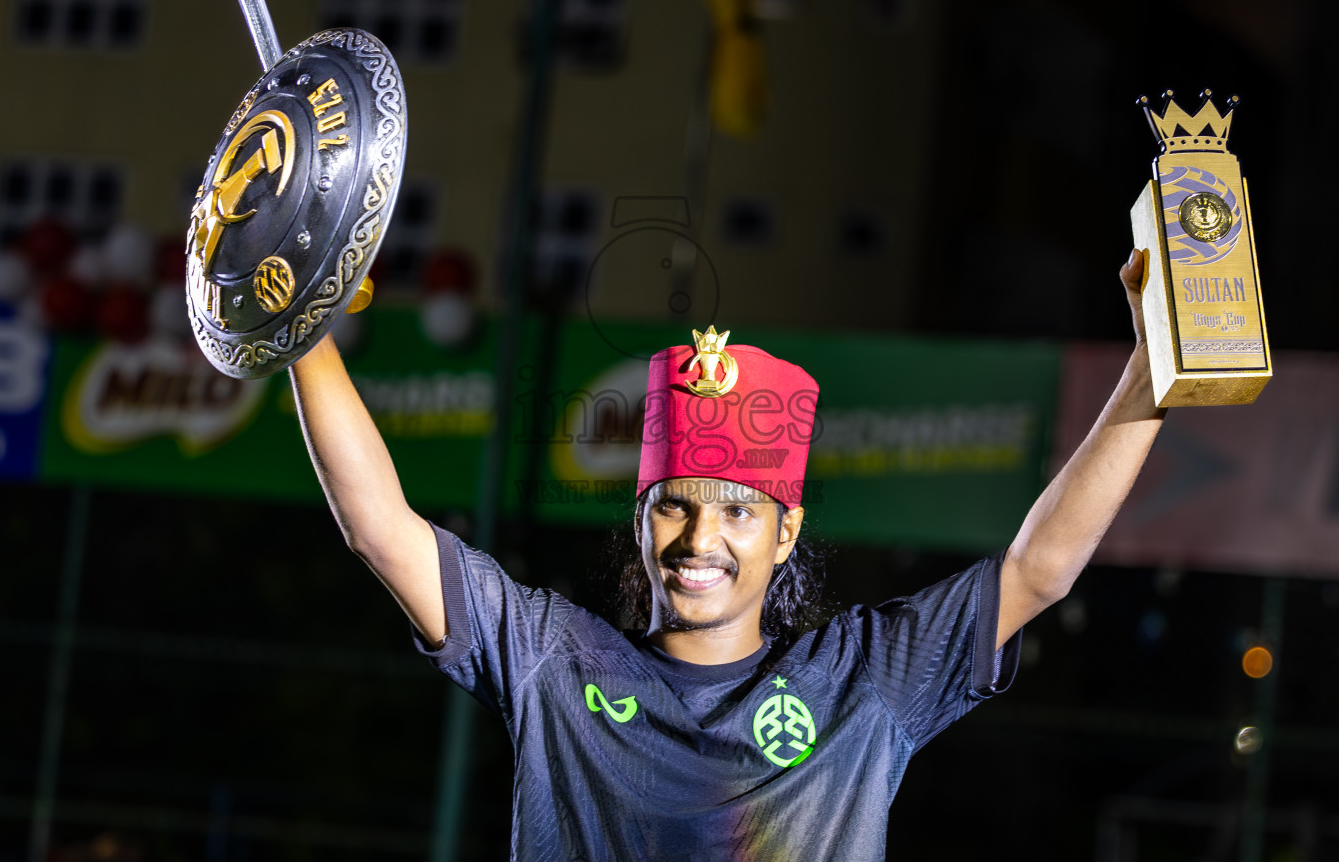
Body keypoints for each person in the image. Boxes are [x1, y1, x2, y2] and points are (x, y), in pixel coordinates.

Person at [288, 250, 1165, 861]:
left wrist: (1149, 372)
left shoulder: (866, 682)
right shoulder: (554, 659)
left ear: (786, 533)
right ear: (640, 522)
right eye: (673, 507)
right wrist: (305, 329)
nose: (701, 540)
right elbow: (379, 527)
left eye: (739, 513)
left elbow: (1039, 569)